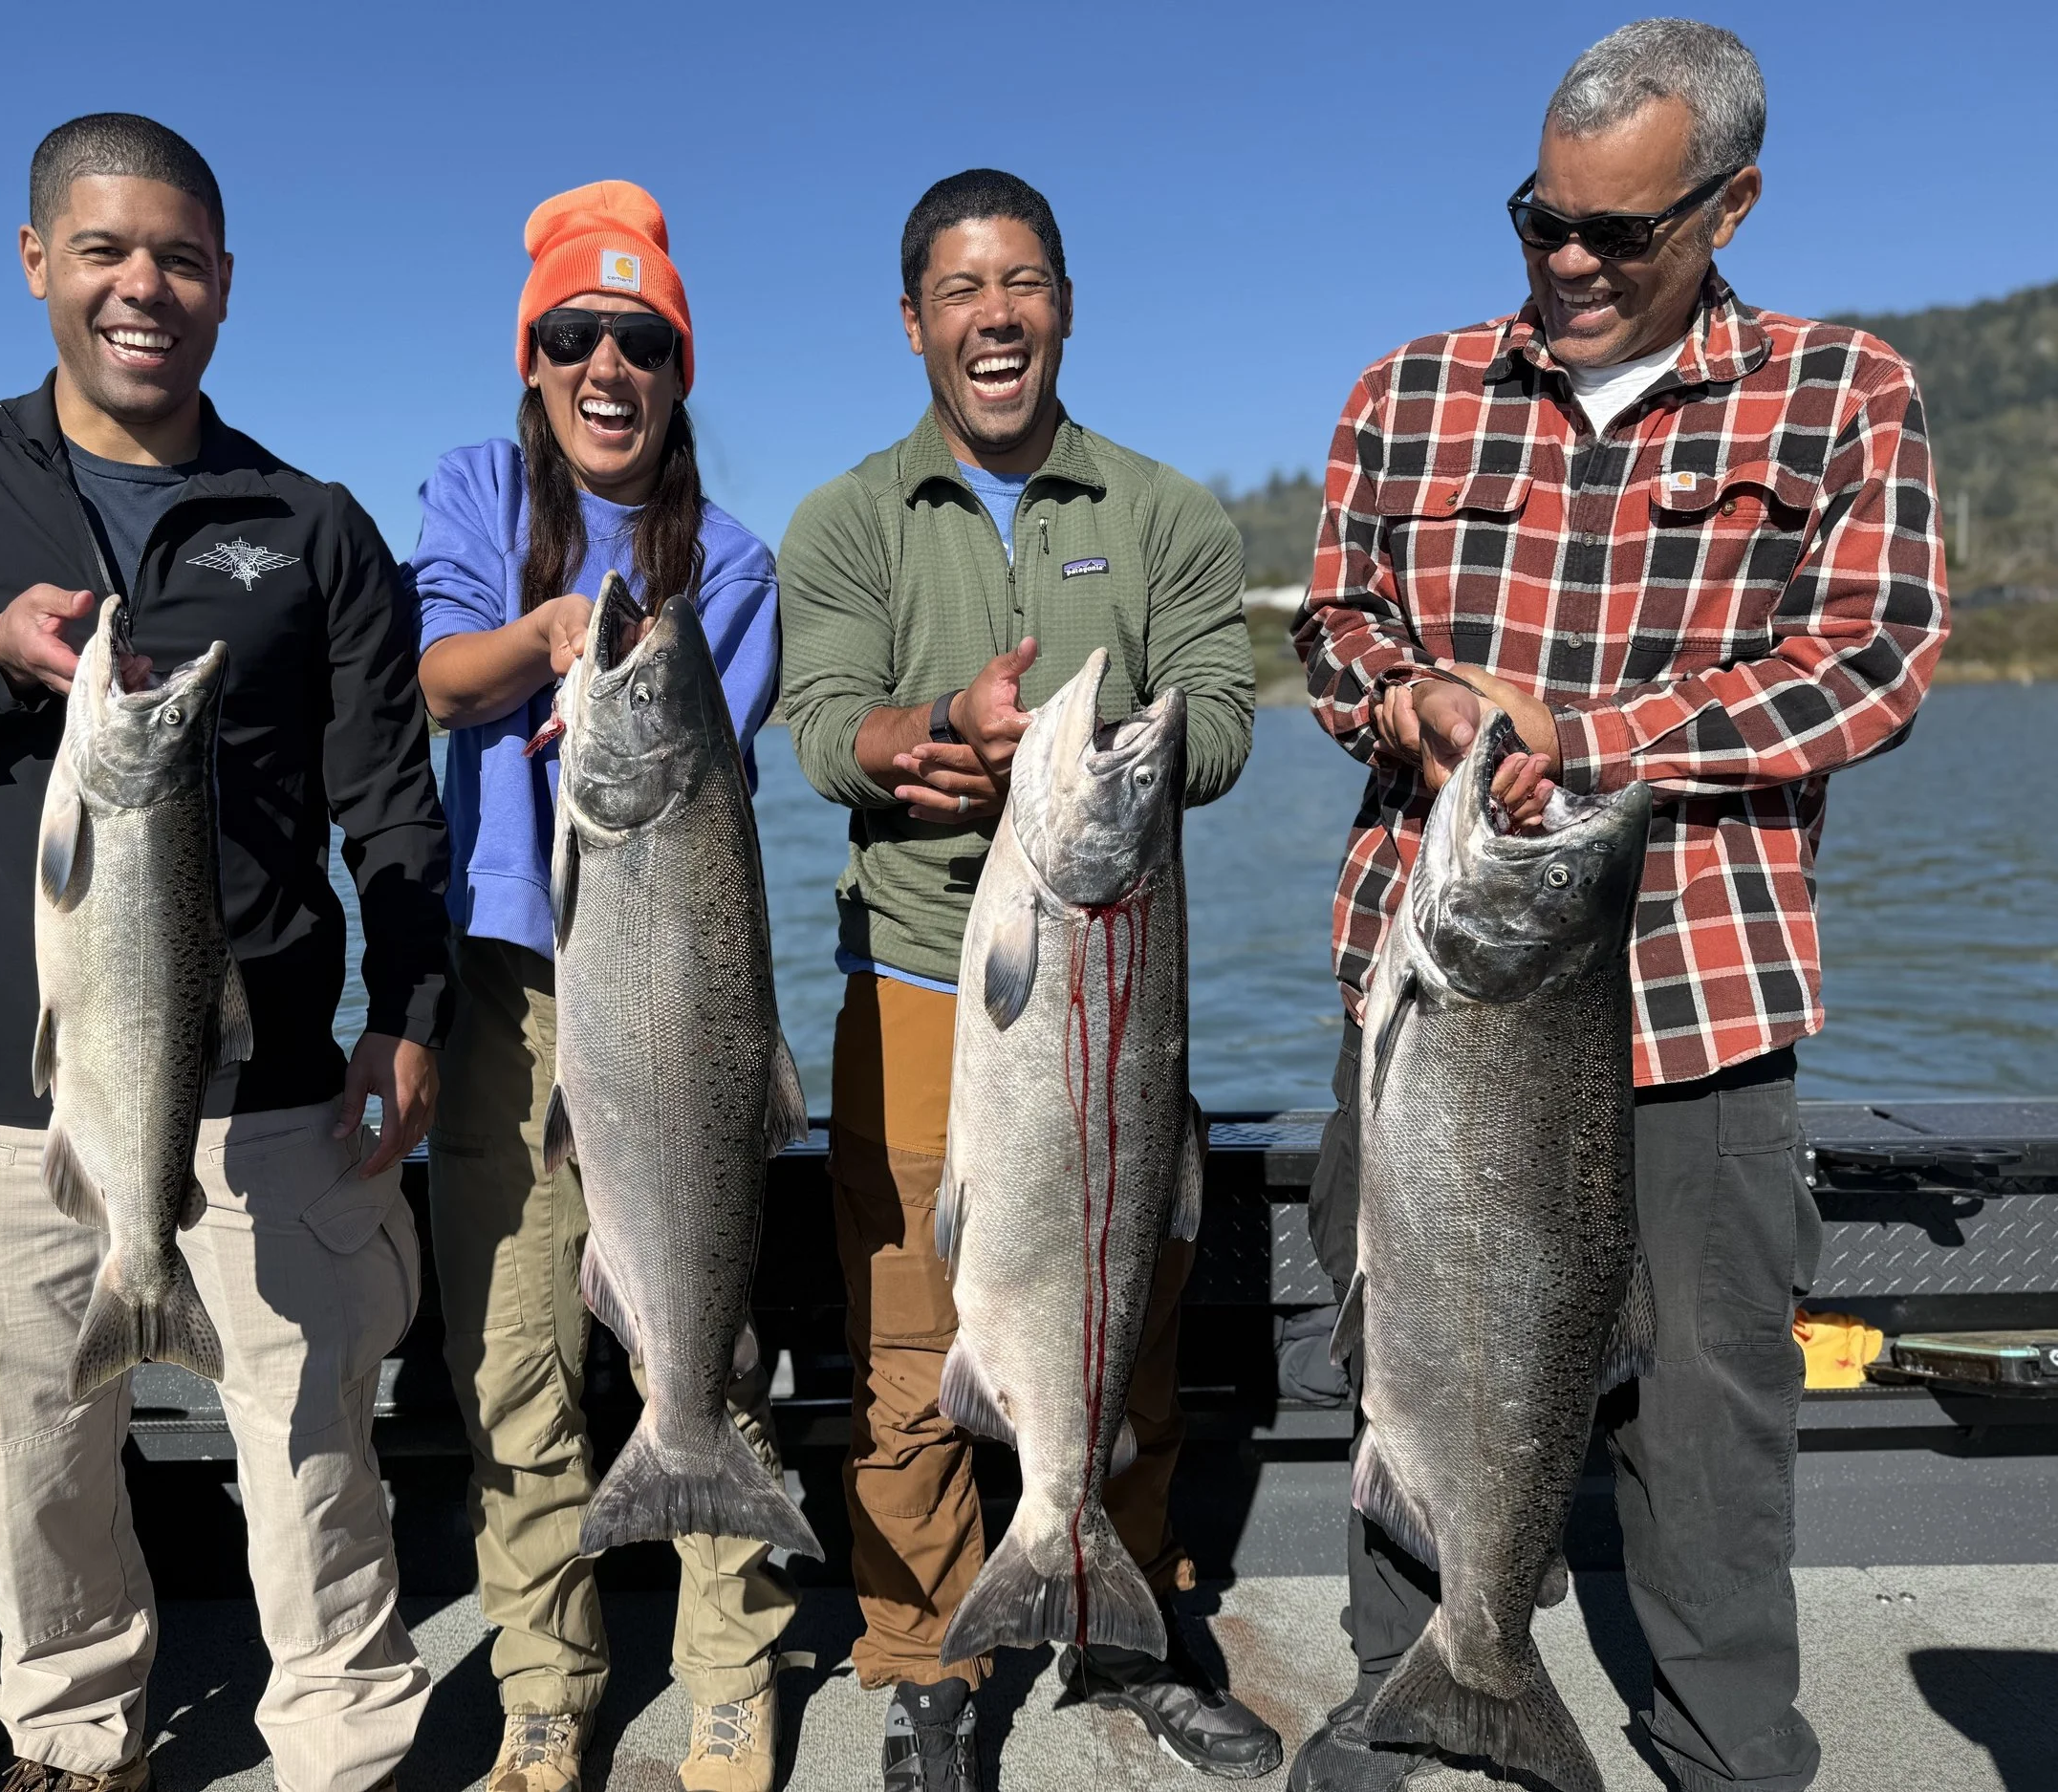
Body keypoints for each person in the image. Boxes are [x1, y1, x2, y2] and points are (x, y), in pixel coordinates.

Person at [1289, 22, 1947, 1792]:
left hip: (1702, 1009)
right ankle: (1409, 1690)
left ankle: (1725, 1744)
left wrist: (1594, 735)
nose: (1567, 264)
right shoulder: (1407, 389)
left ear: (1728, 208)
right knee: (1405, 1358)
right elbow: (1333, 627)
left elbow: (1873, 662)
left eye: (1616, 235)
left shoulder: (1841, 390)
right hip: (1429, 999)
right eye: (1539, 222)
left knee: (1711, 1422)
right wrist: (1411, 698)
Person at [0, 115, 449, 1792]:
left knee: (315, 1466)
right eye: (105, 250)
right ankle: (80, 1739)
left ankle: (344, 1747)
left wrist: (414, 1009)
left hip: (279, 1097)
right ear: (38, 262)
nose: (141, 286)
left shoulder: (307, 522)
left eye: (179, 257)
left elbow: (389, 796)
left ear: (225, 285)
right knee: (35, 1476)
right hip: (4, 1108)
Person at [779, 168, 1279, 1791]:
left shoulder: (1164, 511)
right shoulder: (850, 516)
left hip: (1124, 977)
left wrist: (1111, 739)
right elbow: (819, 725)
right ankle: (929, 1658)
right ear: (915, 319)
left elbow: (1225, 711)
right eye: (963, 291)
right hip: (928, 980)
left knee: (1121, 1312)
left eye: (1025, 285)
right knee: (921, 1339)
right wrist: (926, 740)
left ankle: (1121, 1618)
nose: (996, 319)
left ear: (1064, 302)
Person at [409, 180, 793, 1792]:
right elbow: (440, 676)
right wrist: (551, 629)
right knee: (512, 1360)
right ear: (536, 356)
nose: (608, 366)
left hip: (680, 1004)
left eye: (641, 340)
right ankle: (548, 1686)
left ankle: (729, 1668)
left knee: (701, 1336)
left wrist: (615, 660)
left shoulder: (739, 562)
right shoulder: (478, 488)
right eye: (575, 337)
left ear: (678, 368)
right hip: (506, 994)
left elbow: (695, 766)